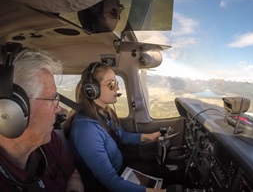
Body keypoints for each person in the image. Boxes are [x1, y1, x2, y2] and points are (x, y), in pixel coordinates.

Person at [64, 62, 166, 192]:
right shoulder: (86, 131)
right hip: (108, 185)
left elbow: (121, 136)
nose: (117, 89)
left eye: (117, 83)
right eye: (111, 84)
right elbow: (111, 182)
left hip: (123, 170)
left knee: (161, 171)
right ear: (92, 90)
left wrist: (149, 137)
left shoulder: (104, 112)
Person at [0, 47, 84, 192]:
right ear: (13, 109)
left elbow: (73, 173)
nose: (59, 109)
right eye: (52, 98)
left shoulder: (50, 140)